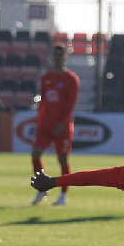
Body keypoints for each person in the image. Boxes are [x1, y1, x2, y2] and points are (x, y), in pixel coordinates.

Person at [31, 44, 79, 206]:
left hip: (62, 126)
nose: (58, 58)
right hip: (45, 124)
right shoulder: (46, 78)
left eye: (60, 55)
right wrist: (40, 118)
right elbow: (43, 101)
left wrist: (63, 123)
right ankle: (42, 189)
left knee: (62, 159)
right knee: (35, 154)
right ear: (52, 57)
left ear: (65, 57)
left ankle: (63, 195)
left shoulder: (71, 79)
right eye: (55, 55)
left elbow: (71, 105)